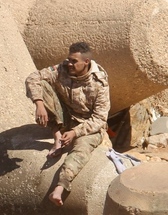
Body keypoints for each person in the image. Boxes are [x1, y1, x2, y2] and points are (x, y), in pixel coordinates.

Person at [25, 41, 110, 206]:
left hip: (87, 125)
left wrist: (75, 133)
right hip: (65, 116)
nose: (69, 64)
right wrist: (39, 103)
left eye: (74, 61)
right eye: (69, 59)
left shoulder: (99, 83)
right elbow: (33, 77)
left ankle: (60, 186)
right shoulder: (62, 69)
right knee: (43, 85)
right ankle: (57, 136)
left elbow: (100, 119)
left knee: (82, 150)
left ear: (86, 62)